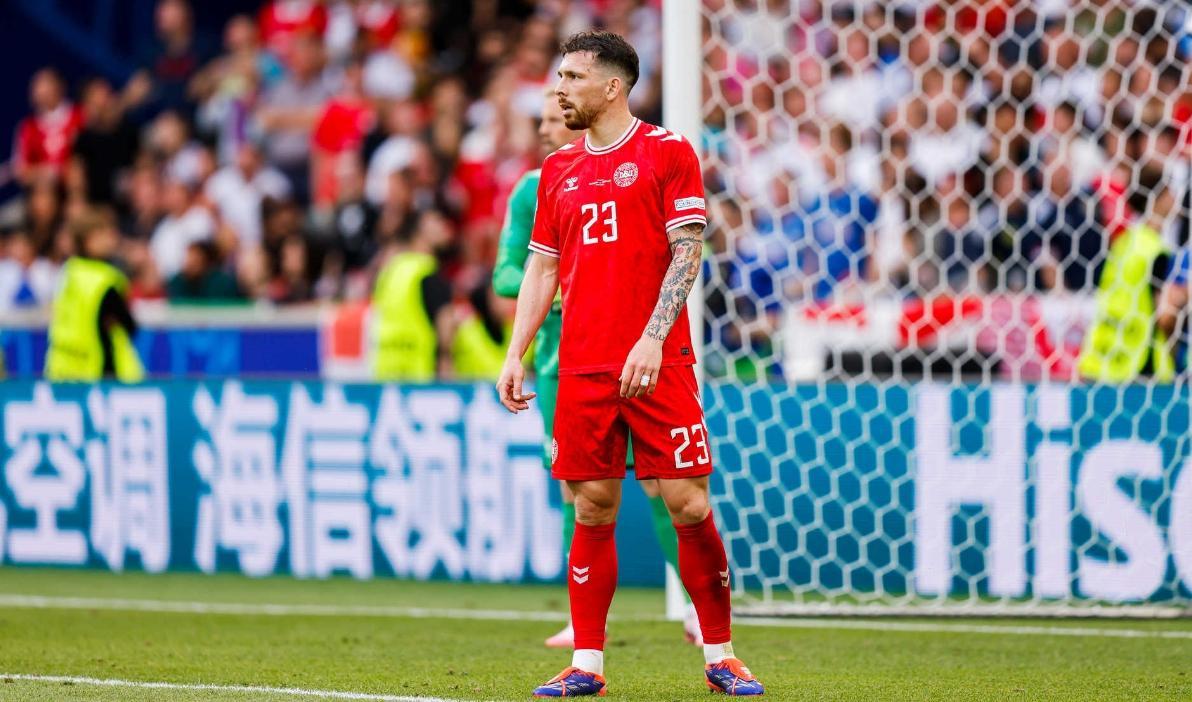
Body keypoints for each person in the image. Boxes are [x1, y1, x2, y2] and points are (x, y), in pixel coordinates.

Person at [496, 31, 763, 697]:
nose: (560, 90)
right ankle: (587, 664)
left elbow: (688, 250)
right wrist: (516, 351)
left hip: (659, 361)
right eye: (559, 77)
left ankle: (721, 655)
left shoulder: (667, 151)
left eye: (573, 78)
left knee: (688, 502)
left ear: (612, 86)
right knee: (591, 506)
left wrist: (652, 336)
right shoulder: (557, 170)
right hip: (582, 365)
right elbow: (542, 268)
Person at [493, 86, 703, 649]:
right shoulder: (535, 185)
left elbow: (678, 248)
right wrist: (561, 294)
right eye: (541, 119)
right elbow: (510, 273)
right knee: (579, 493)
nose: (546, 127)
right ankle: (584, 622)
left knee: (665, 486)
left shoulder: (650, 159)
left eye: (551, 116)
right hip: (564, 362)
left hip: (641, 352)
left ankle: (695, 608)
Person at [1078, 163, 1178, 382]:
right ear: (1157, 199)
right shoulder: (1157, 252)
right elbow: (1165, 317)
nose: (1174, 198)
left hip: (1104, 357)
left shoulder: (1123, 242)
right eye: (1169, 192)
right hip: (1139, 362)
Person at [45, 213, 144, 382]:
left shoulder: (68, 271)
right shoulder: (104, 280)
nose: (111, 240)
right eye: (104, 234)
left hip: (62, 368)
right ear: (88, 240)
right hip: (98, 371)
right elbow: (128, 325)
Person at [372, 209, 455, 380]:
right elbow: (445, 332)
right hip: (420, 375)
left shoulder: (389, 270)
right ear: (421, 230)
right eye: (437, 221)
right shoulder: (427, 272)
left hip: (386, 371)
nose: (443, 227)